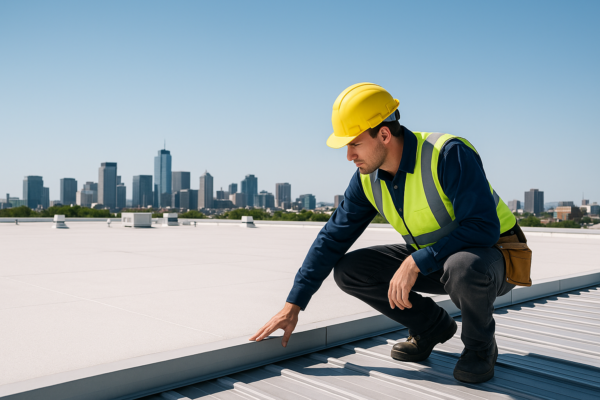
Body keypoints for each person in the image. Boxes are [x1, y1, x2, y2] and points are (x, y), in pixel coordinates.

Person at [250, 82, 529, 383]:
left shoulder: (447, 154)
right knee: (350, 270)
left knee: (463, 266)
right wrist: (293, 305)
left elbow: (483, 227)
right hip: (438, 259)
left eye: (354, 143)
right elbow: (333, 238)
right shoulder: (367, 179)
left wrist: (416, 262)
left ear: (383, 134)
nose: (348, 156)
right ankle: (431, 326)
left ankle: (479, 348)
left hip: (493, 257)